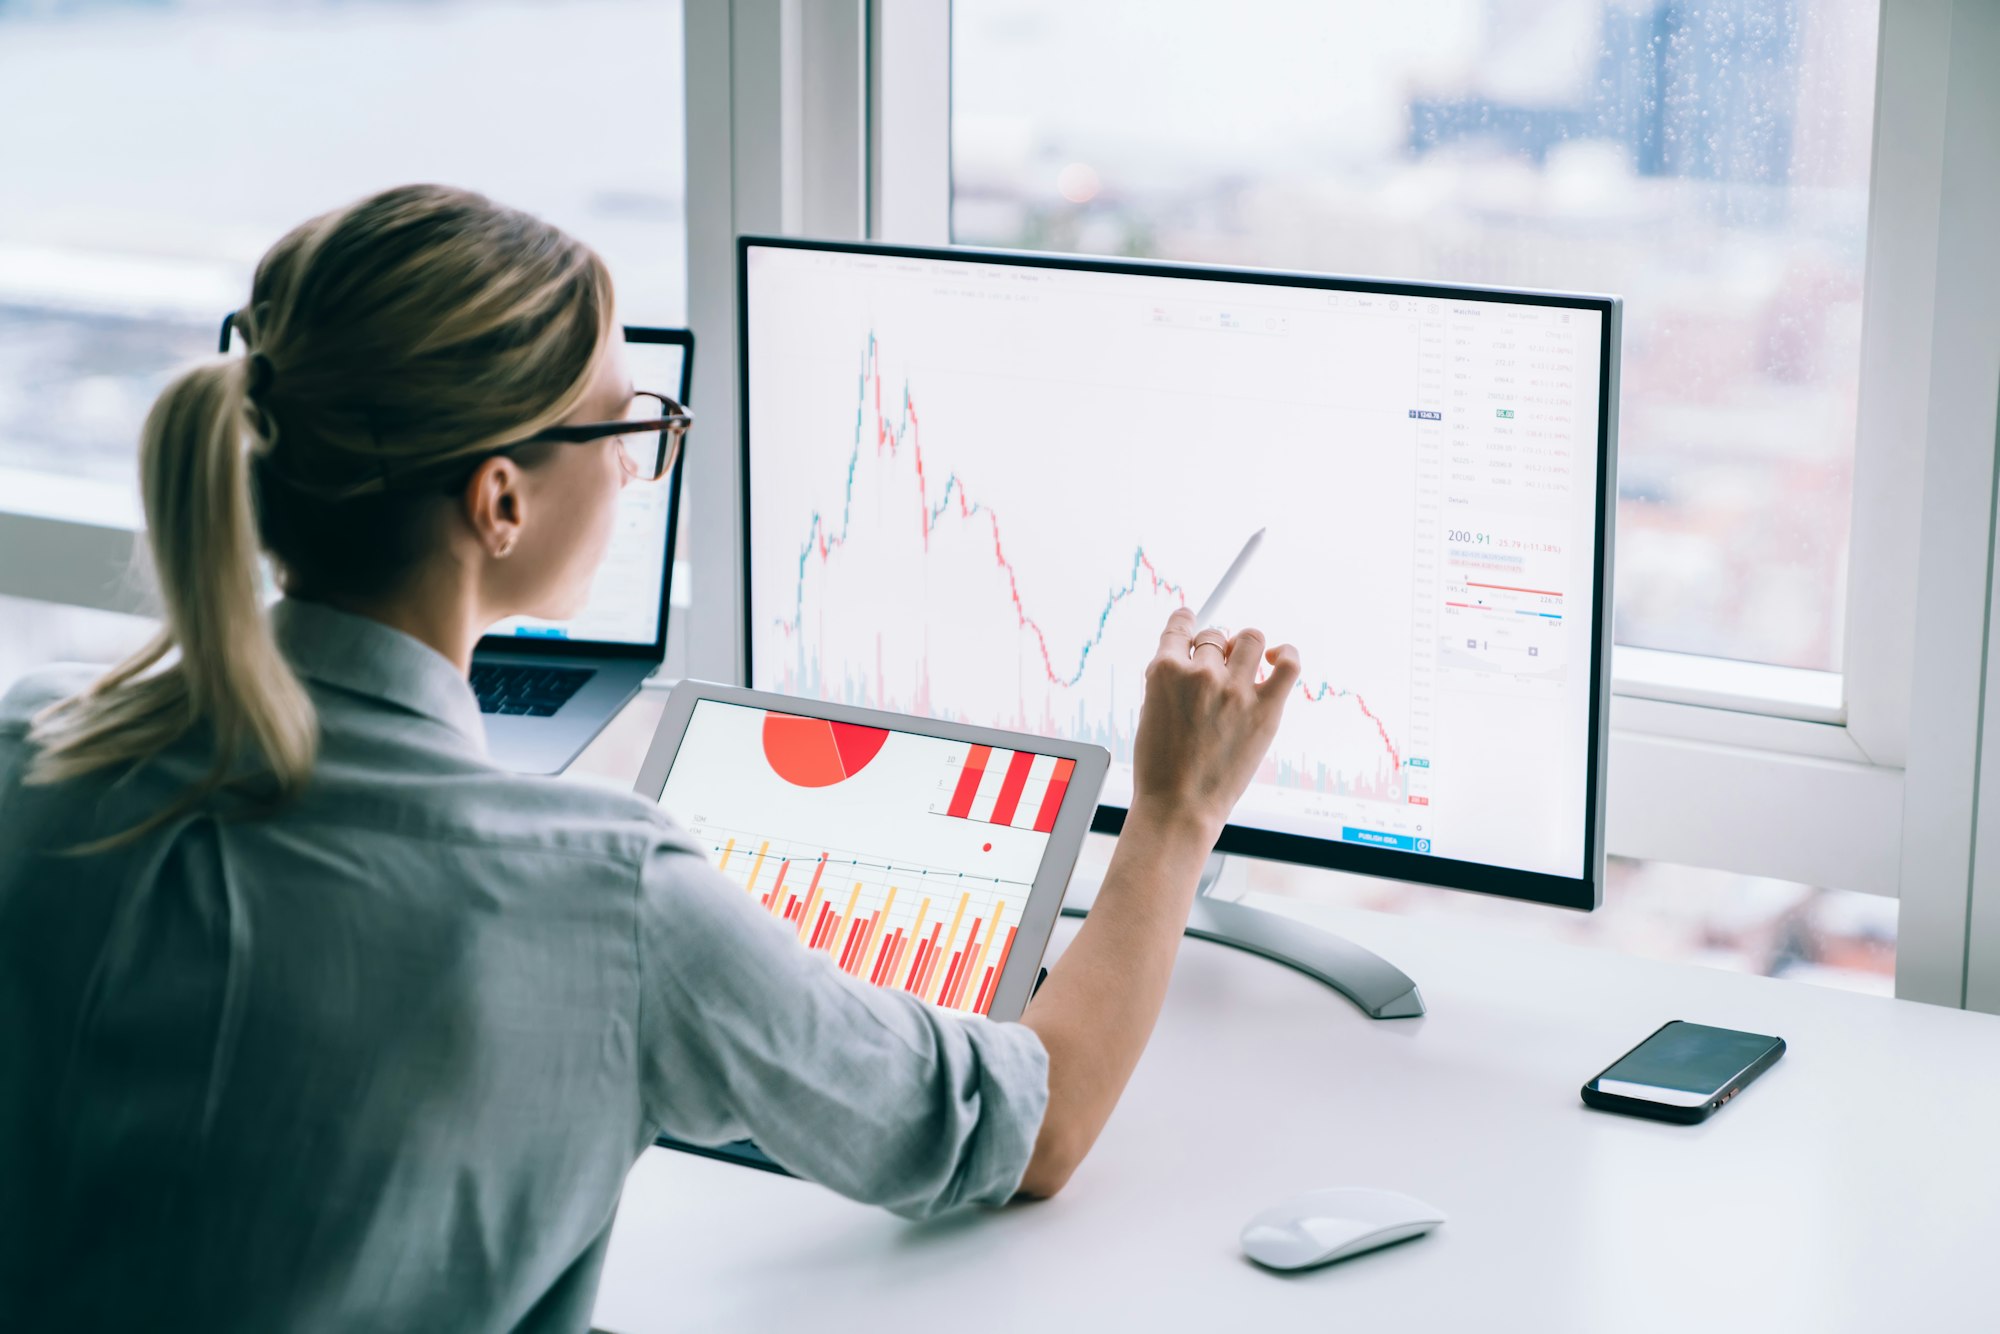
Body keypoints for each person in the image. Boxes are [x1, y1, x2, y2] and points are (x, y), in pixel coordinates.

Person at [0, 185, 1299, 1331]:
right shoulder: (605, 899)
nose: (637, 463)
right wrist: (1178, 808)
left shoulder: (32, 756)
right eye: (622, 428)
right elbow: (1028, 1124)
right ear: (500, 502)